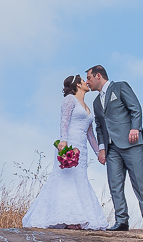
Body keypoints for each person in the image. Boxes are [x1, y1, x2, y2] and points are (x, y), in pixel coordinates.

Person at [21, 75, 109, 230]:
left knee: (79, 180)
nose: (86, 83)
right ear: (77, 85)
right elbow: (64, 121)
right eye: (83, 81)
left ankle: (80, 217)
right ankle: (69, 219)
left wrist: (98, 152)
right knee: (66, 180)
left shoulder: (86, 105)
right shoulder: (69, 100)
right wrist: (64, 141)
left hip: (82, 148)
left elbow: (90, 133)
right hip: (69, 143)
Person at [86, 65, 143, 232]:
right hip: (111, 149)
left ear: (98, 76)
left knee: (139, 182)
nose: (87, 82)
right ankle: (121, 221)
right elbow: (99, 127)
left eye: (89, 78)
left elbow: (135, 108)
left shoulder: (120, 87)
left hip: (130, 143)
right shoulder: (96, 103)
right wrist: (102, 148)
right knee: (114, 185)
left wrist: (135, 128)